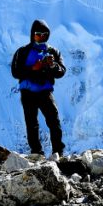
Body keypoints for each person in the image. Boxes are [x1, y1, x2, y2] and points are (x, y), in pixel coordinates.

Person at [10, 19, 66, 156]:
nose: (41, 37)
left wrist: (52, 66)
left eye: (44, 35)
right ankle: (36, 153)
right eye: (38, 34)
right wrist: (33, 68)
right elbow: (15, 72)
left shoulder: (53, 52)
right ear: (32, 34)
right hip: (28, 92)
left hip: (45, 91)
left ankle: (58, 151)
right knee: (32, 123)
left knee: (54, 120)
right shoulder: (22, 52)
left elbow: (62, 72)